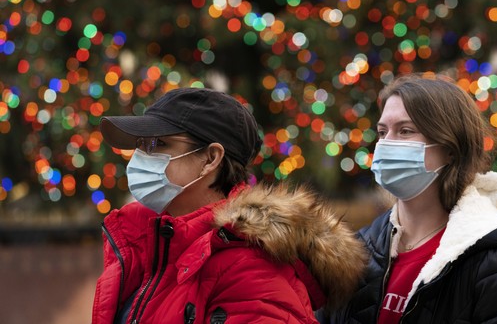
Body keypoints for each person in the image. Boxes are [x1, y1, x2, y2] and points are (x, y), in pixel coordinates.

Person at [91, 87, 367, 324]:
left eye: (158, 144)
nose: (139, 157)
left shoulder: (253, 273)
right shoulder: (150, 245)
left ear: (211, 158)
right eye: (140, 145)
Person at [316, 73, 497, 323]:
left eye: (405, 131)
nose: (386, 144)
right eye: (382, 131)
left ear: (451, 150)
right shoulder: (358, 251)